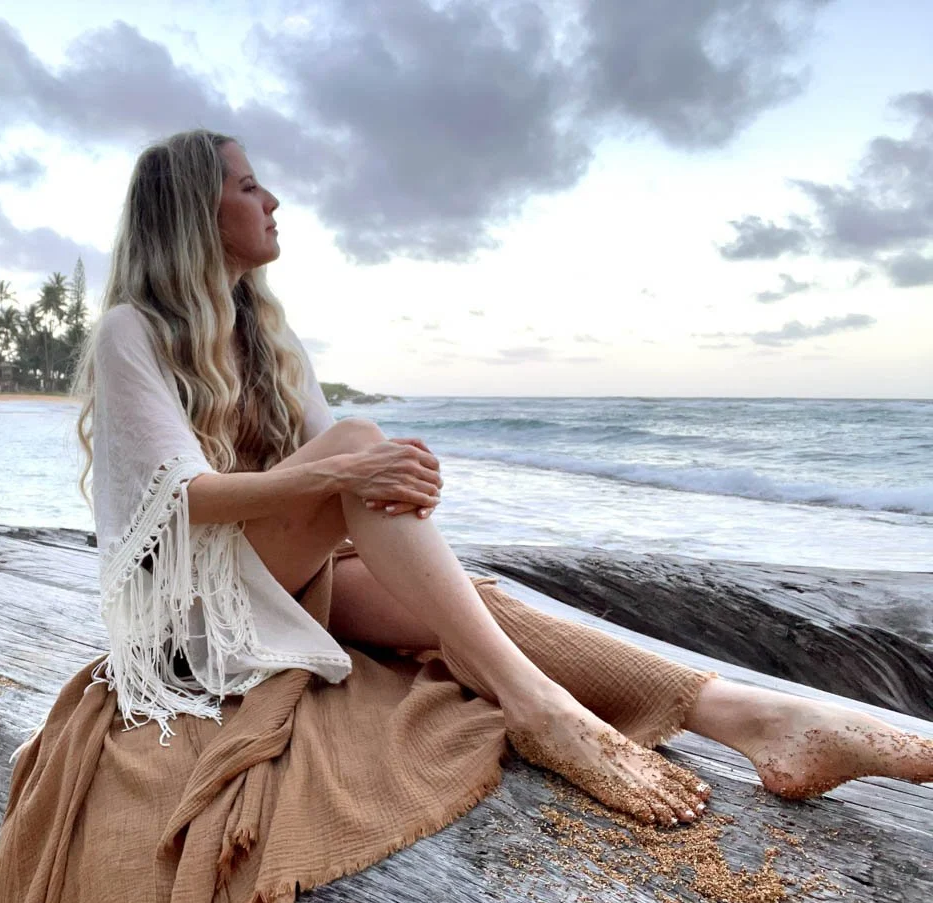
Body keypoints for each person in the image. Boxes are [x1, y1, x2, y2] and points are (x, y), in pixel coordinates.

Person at [71, 128, 933, 827]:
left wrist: (392, 487)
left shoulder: (267, 337)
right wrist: (359, 471)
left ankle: (757, 720)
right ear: (195, 208)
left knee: (476, 608)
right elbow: (178, 500)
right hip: (190, 618)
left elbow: (335, 469)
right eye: (251, 185)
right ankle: (542, 711)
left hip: (284, 582)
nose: (273, 199)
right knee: (375, 461)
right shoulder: (130, 332)